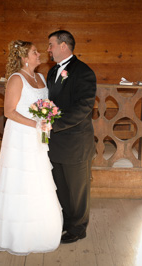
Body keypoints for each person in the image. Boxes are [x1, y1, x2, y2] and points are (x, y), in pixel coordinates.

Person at [0, 40, 63, 255]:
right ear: (24, 58)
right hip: (21, 136)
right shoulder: (16, 79)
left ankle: (39, 230)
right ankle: (16, 234)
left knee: (38, 178)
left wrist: (47, 118)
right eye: (35, 52)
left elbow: (44, 105)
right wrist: (36, 123)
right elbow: (9, 111)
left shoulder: (40, 77)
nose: (39, 54)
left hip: (38, 136)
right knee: (20, 181)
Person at [46, 30, 97, 244]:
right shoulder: (52, 72)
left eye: (51, 45)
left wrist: (53, 123)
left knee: (78, 190)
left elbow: (84, 107)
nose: (48, 49)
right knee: (62, 188)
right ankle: (66, 223)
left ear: (64, 45)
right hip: (55, 142)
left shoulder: (83, 72)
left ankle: (78, 229)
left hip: (75, 143)